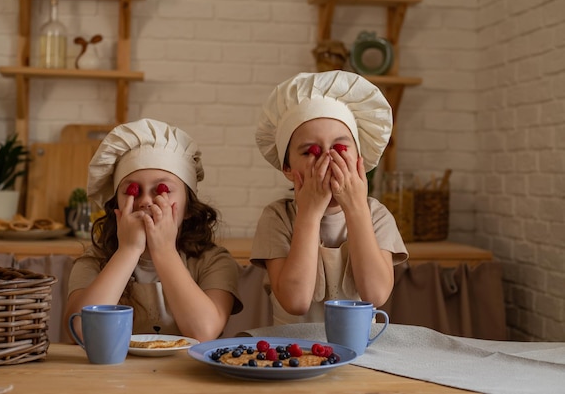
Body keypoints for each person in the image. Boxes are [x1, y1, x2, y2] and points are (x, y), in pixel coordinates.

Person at [252, 70, 408, 325]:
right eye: (310, 151)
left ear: (360, 160)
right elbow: (296, 301)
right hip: (293, 355)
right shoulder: (277, 218)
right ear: (288, 170)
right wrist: (310, 213)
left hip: (359, 352)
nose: (328, 158)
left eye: (340, 148)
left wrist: (356, 208)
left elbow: (376, 294)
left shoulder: (376, 215)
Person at [64, 118, 242, 342]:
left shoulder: (214, 262)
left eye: (162, 189)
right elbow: (80, 330)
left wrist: (164, 251)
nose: (146, 201)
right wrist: (128, 250)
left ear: (188, 207)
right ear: (116, 205)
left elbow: (203, 331)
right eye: (132, 190)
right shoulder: (93, 261)